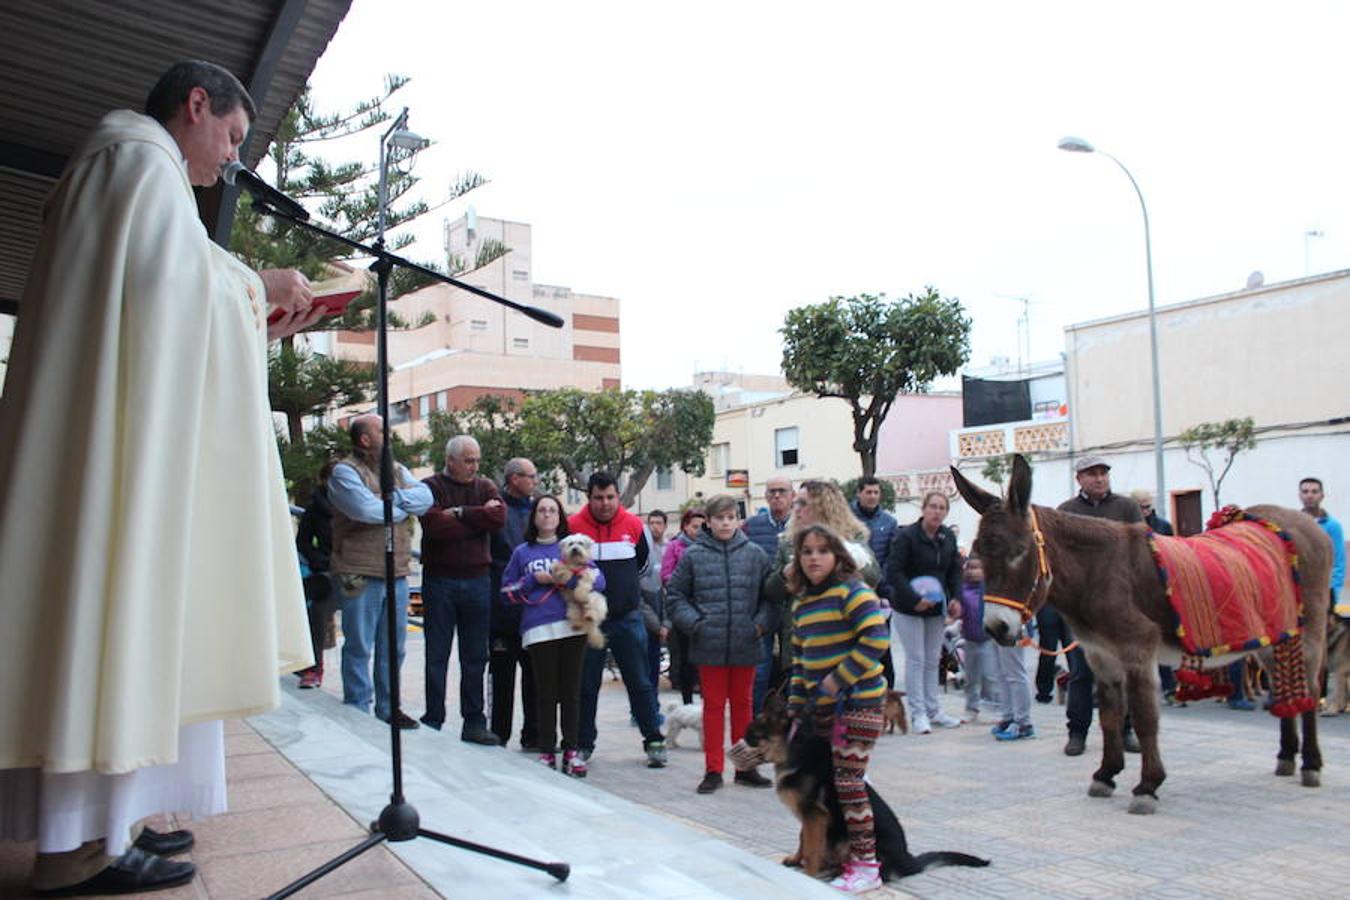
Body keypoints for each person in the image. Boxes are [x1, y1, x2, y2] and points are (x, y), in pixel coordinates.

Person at [0, 60, 317, 895]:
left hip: (114, 443)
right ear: (196, 105)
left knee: (125, 634)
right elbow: (164, 291)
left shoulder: (132, 171)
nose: (232, 160)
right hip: (115, 458)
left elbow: (163, 302)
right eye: (233, 139)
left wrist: (252, 299)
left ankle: (110, 829)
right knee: (114, 623)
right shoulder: (135, 158)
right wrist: (258, 285)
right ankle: (76, 851)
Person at [785, 524, 890, 893]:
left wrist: (836, 681)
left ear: (838, 556)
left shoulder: (853, 592)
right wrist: (796, 705)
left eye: (822, 551)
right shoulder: (802, 602)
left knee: (849, 783)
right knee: (832, 783)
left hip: (858, 703)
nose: (814, 558)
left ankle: (867, 865)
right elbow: (800, 659)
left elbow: (876, 640)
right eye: (806, 552)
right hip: (821, 710)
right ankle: (839, 855)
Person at [329, 415, 434, 729]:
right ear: (364, 439)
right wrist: (399, 507)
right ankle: (358, 708)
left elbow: (426, 498)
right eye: (381, 430)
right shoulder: (344, 472)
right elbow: (365, 510)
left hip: (396, 572)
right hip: (358, 571)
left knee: (394, 646)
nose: (388, 435)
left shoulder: (397, 470)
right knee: (360, 644)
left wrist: (391, 501)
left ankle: (390, 708)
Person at [666, 495, 774, 794]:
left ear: (739, 520)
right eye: (719, 518)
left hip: (745, 642)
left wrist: (760, 626)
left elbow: (770, 598)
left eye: (731, 517)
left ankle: (744, 767)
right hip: (709, 645)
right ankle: (713, 769)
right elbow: (675, 595)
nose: (725, 523)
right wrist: (696, 624)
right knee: (713, 709)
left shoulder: (755, 554)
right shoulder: (693, 555)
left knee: (743, 706)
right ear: (708, 522)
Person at [569, 472, 668, 768]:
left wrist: (622, 592)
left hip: (627, 618)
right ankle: (583, 744)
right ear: (589, 497)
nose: (605, 503)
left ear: (618, 495)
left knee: (640, 682)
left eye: (610, 497)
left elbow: (642, 567)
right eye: (598, 498)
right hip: (589, 621)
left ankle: (654, 740)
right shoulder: (573, 526)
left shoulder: (634, 525)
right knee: (586, 686)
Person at [500, 495, 603, 776]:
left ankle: (571, 750)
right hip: (538, 630)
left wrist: (566, 579)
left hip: (573, 628)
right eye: (542, 510)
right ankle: (547, 749)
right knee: (545, 693)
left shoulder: (573, 546)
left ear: (560, 517)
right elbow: (506, 593)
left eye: (552, 510)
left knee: (571, 693)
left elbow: (599, 581)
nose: (547, 515)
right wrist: (535, 579)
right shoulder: (522, 552)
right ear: (534, 516)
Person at [419, 436, 506, 744]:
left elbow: (498, 518)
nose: (475, 466)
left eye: (477, 460)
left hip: (478, 581)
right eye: (469, 460)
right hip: (439, 580)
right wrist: (477, 516)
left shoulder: (486, 487)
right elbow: (433, 527)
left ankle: (473, 721)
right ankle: (433, 717)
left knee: (475, 656)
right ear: (450, 460)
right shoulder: (429, 487)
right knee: (437, 653)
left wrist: (458, 513)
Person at [1057, 456, 1143, 756]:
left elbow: (1140, 547)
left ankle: (1126, 729)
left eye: (1103, 473)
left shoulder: (1126, 508)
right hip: (1082, 607)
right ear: (1079, 478)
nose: (1099, 479)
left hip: (1121, 603)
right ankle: (1077, 733)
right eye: (1092, 474)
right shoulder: (1067, 512)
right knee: (1081, 672)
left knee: (1124, 670)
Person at [765, 481, 880, 694]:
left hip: (844, 641)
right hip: (804, 645)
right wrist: (785, 575)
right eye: (796, 502)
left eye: (802, 503)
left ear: (823, 506)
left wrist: (840, 558)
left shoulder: (851, 538)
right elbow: (771, 592)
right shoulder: (788, 543)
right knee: (809, 718)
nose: (795, 508)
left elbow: (873, 578)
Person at [886, 491, 964, 734]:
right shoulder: (906, 536)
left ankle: (934, 710)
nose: (937, 512)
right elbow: (894, 572)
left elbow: (954, 571)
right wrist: (914, 599)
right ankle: (918, 713)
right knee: (916, 659)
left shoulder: (947, 536)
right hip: (908, 607)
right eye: (933, 506)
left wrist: (955, 598)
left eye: (942, 508)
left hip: (936, 609)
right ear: (923, 508)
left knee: (933, 660)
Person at [488, 457, 540, 749]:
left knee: (535, 678)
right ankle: (498, 733)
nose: (535, 481)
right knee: (501, 678)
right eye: (530, 476)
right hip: (503, 612)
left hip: (534, 613)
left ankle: (533, 735)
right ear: (514, 478)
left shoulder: (538, 511)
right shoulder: (496, 511)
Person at [744, 476, 794, 711]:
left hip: (793, 607)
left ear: (792, 496)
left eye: (782, 491)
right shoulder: (752, 526)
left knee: (793, 668)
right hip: (761, 604)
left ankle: (790, 724)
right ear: (765, 496)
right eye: (772, 491)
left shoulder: (802, 527)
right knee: (760, 670)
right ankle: (755, 722)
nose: (777, 496)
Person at [851, 476, 900, 688]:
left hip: (880, 594)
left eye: (875, 492)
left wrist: (883, 587)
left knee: (880, 641)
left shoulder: (889, 522)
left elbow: (891, 557)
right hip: (853, 589)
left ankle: (887, 687)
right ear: (859, 493)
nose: (872, 496)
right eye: (868, 492)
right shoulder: (848, 519)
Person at [296, 461, 338, 689]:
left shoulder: (356, 503)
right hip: (325, 570)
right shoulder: (315, 508)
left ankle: (313, 665)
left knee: (321, 608)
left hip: (355, 569)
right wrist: (320, 560)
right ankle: (309, 663)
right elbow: (302, 542)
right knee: (309, 604)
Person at [662, 506, 708, 704]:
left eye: (701, 526)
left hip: (706, 607)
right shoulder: (675, 547)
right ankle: (687, 699)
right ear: (685, 527)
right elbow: (665, 575)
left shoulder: (709, 547)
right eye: (694, 526)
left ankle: (707, 695)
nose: (698, 530)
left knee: (706, 656)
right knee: (685, 656)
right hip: (683, 608)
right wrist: (688, 581)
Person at [956, 557, 1000, 724]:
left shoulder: (989, 589)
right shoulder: (961, 591)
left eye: (977, 568)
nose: (973, 571)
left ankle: (996, 706)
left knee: (990, 675)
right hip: (969, 639)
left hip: (988, 639)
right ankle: (971, 708)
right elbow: (959, 613)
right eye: (969, 568)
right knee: (971, 677)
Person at [1300, 478, 1346, 615]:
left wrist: (1333, 593)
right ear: (1300, 495)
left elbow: (1338, 562)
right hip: (1299, 592)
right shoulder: (1294, 524)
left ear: (1322, 496)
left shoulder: (1333, 527)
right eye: (1305, 491)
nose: (1309, 495)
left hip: (1324, 594)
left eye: (1314, 491)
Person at [641, 510, 672, 698]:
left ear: (665, 525)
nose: (655, 527)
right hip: (646, 613)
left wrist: (666, 624)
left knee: (655, 663)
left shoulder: (669, 550)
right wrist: (656, 625)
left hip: (664, 610)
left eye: (659, 523)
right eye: (651, 523)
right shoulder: (643, 551)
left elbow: (673, 590)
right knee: (644, 664)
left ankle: (654, 703)